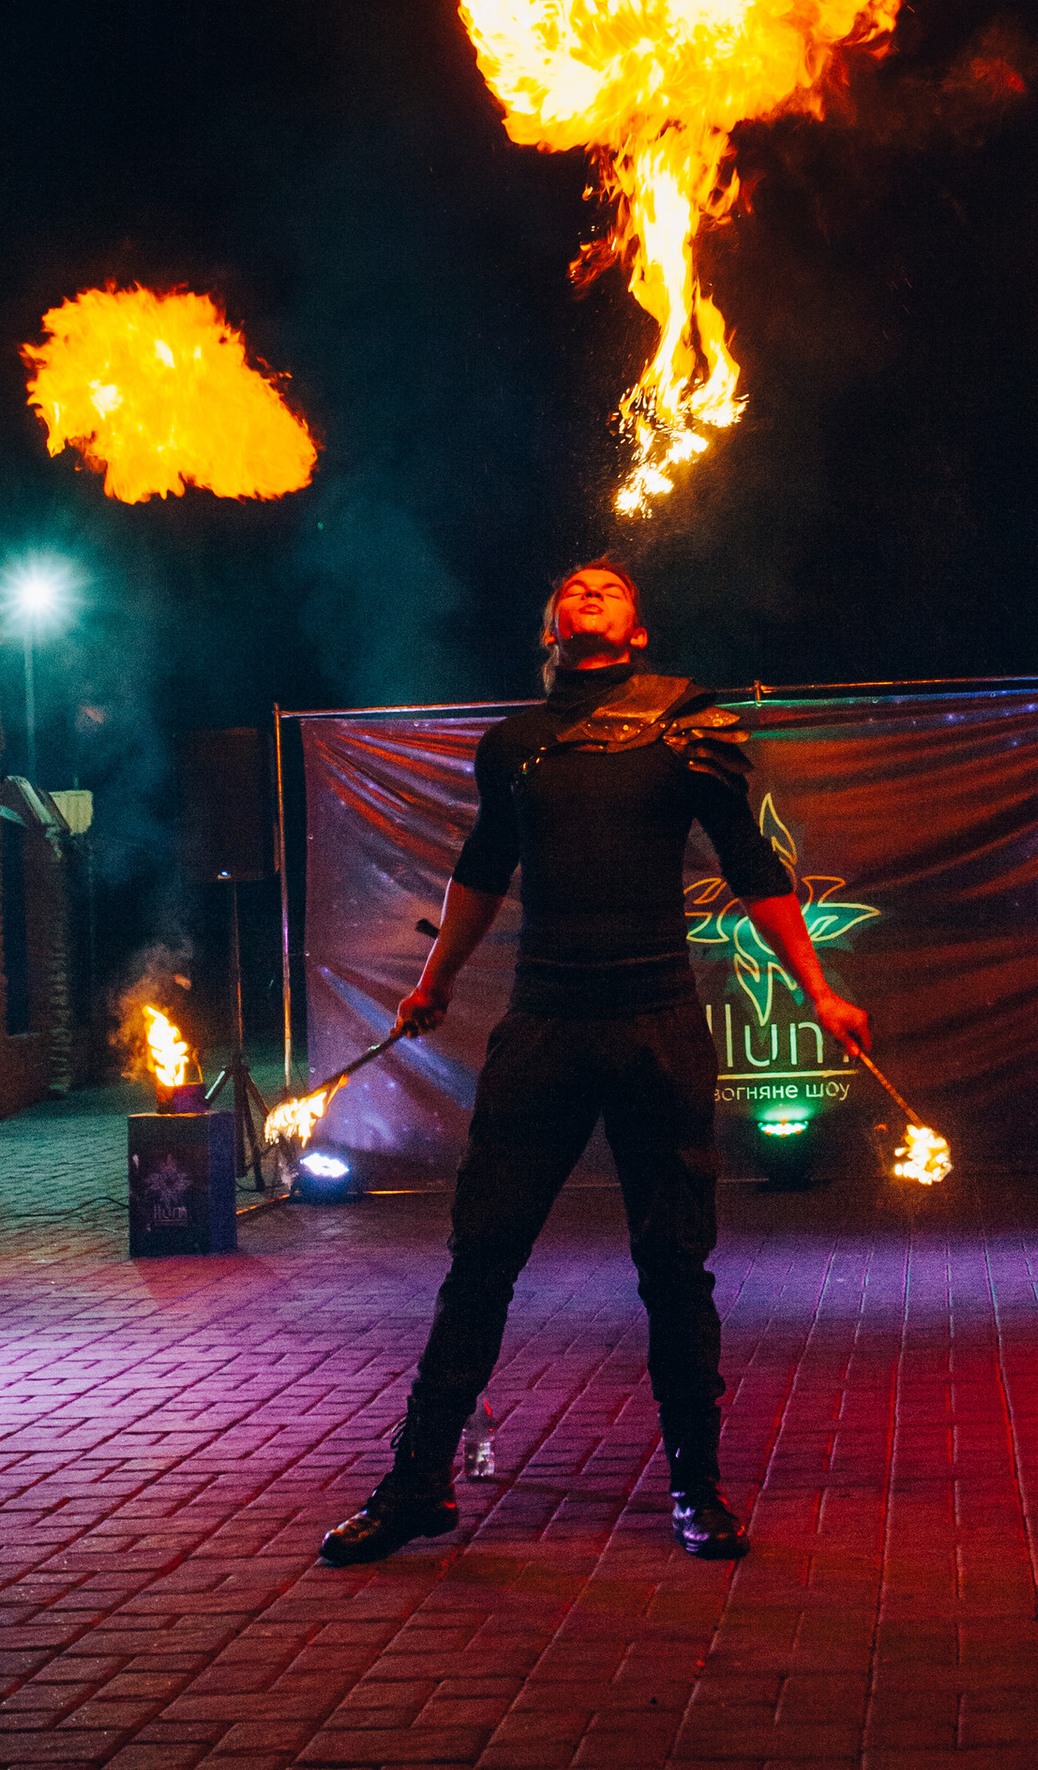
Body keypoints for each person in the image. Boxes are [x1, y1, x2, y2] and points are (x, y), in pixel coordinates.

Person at [319, 558, 873, 1569]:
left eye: (610, 587)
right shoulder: (513, 745)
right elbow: (485, 868)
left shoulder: (686, 721)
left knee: (672, 1268)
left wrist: (818, 989)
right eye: (573, 587)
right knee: (479, 1260)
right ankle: (417, 1483)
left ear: (637, 626)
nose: (589, 590)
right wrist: (434, 980)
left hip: (655, 1023)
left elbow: (749, 862)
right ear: (548, 626)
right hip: (544, 1025)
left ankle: (697, 1490)